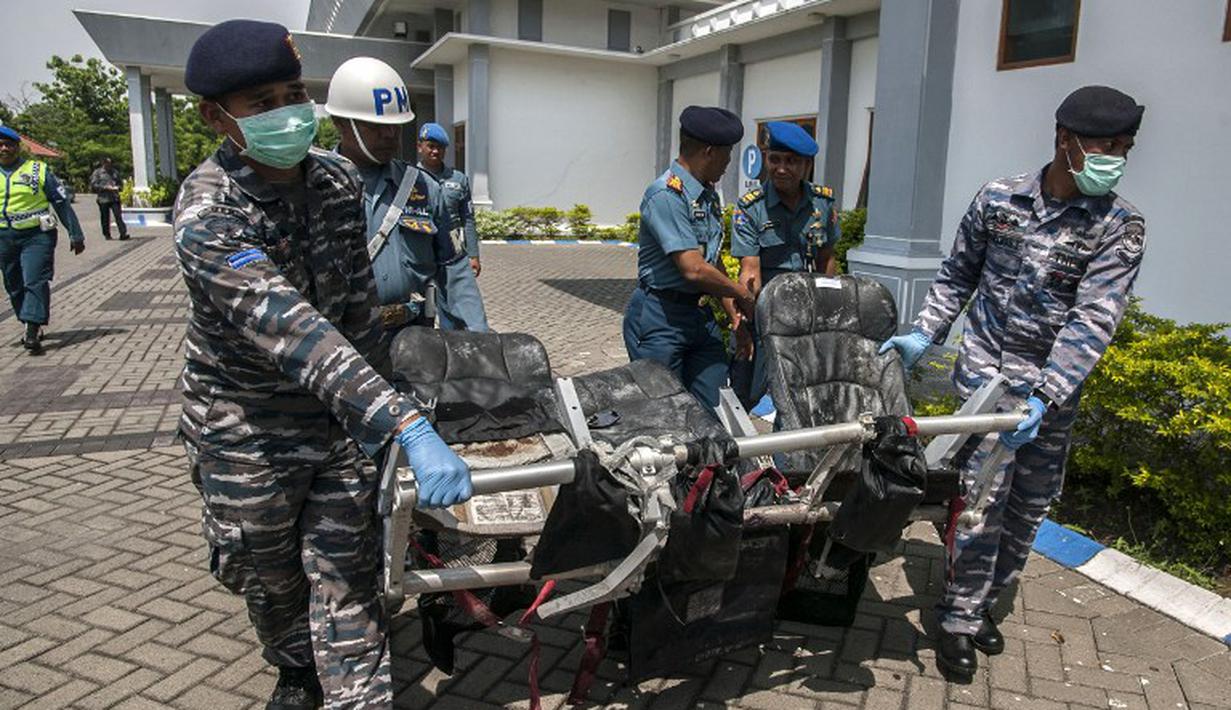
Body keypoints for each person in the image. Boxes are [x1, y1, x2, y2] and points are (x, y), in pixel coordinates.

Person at [175, 20, 472, 709]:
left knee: (348, 578)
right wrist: (401, 422)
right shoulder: (208, 211)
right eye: (261, 103)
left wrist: (380, 415)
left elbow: (356, 310)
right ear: (214, 117)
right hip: (247, 432)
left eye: (292, 93)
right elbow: (293, 327)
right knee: (267, 575)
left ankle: (353, 694)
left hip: (340, 423)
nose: (286, 112)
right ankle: (294, 667)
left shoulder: (337, 180)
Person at [880, 85, 1147, 681]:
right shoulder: (999, 199)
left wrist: (1046, 394)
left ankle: (984, 605)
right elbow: (957, 275)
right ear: (1065, 140)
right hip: (982, 387)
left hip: (1047, 401)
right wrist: (924, 332)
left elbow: (1093, 319)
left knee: (1027, 509)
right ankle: (956, 619)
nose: (1118, 158)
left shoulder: (1120, 226)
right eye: (1108, 144)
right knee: (978, 504)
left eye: (1125, 147)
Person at [325, 58, 477, 338]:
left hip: (413, 337)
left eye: (396, 125)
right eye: (376, 126)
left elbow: (454, 271)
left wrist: (478, 340)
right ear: (341, 123)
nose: (390, 135)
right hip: (341, 344)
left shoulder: (423, 187)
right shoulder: (315, 187)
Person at [622, 105, 757, 409]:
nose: (729, 163)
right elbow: (693, 269)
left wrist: (734, 315)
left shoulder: (706, 195)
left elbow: (710, 261)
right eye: (727, 155)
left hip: (699, 319)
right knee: (662, 412)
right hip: (660, 318)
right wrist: (743, 295)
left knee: (716, 408)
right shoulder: (665, 195)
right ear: (709, 152)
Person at [731, 121, 840, 407]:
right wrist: (749, 320)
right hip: (763, 313)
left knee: (801, 399)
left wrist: (827, 313)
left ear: (807, 165)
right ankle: (732, 451)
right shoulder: (751, 207)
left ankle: (788, 451)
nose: (781, 168)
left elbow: (826, 258)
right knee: (746, 395)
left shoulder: (823, 203)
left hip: (807, 317)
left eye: (791, 162)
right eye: (774, 159)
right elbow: (749, 271)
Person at [0, 125, 85, 355]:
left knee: (34, 279)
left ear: (17, 147)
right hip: (4, 238)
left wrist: (75, 234)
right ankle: (27, 318)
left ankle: (32, 327)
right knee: (13, 284)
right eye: (0, 145)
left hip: (36, 236)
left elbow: (60, 202)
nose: (4, 148)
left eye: (8, 144)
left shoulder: (37, 170)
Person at [415, 123, 490, 331]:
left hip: (453, 257)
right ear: (419, 146)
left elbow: (468, 219)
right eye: (430, 146)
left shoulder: (458, 180)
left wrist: (473, 255)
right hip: (422, 257)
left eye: (440, 147)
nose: (435, 151)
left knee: (474, 320)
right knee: (435, 314)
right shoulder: (409, 179)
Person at [89, 157, 129, 240]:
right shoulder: (97, 173)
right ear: (103, 164)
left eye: (110, 164)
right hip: (103, 199)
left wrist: (118, 187)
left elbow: (120, 184)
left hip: (114, 198)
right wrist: (105, 187)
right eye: (107, 163)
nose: (109, 165)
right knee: (105, 217)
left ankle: (123, 233)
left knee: (118, 216)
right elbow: (93, 185)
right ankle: (107, 234)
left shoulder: (115, 172)